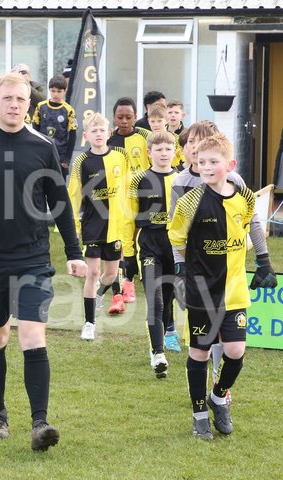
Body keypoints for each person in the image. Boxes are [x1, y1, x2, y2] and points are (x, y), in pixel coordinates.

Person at [0, 72, 87, 452]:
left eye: (21, 99)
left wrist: (74, 253)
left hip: (34, 259)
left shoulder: (43, 146)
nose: (14, 104)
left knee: (32, 335)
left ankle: (40, 423)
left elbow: (60, 204)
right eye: (8, 98)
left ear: (30, 104)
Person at [168, 133, 275, 440]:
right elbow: (176, 239)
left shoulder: (245, 197)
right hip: (202, 290)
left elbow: (252, 227)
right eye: (201, 162)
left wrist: (264, 262)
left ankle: (218, 397)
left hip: (234, 289)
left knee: (235, 350)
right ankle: (199, 413)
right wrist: (183, 270)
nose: (206, 167)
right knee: (200, 351)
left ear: (230, 165)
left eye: (213, 162)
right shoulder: (190, 201)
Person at [69, 113, 129, 340]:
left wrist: (130, 219)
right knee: (93, 272)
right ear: (86, 136)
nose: (98, 134)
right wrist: (74, 226)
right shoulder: (81, 161)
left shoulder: (120, 156)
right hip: (92, 224)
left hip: (116, 226)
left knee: (111, 274)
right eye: (94, 131)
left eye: (102, 130)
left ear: (108, 133)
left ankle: (99, 295)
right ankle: (89, 324)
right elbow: (74, 194)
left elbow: (128, 188)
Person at [122, 131, 178, 377]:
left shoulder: (181, 179)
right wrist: (128, 253)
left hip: (175, 248)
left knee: (167, 301)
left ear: (174, 152)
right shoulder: (139, 180)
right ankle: (158, 354)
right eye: (159, 149)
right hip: (149, 245)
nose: (164, 154)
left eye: (168, 149)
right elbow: (128, 219)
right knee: (155, 300)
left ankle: (159, 344)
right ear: (149, 153)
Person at [107, 97, 151, 307]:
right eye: (120, 117)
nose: (124, 121)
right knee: (119, 242)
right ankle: (120, 288)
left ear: (135, 117)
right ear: (114, 118)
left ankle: (130, 279)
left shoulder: (144, 136)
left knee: (133, 241)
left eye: (128, 117)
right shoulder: (108, 140)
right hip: (117, 199)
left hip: (142, 197)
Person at [32, 74, 78, 182]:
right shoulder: (41, 106)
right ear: (49, 90)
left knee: (59, 185)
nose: (55, 94)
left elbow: (72, 136)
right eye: (53, 91)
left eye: (59, 91)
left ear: (65, 91)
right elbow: (34, 131)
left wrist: (67, 159)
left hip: (60, 156)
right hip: (42, 153)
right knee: (40, 184)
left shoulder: (69, 110)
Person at [146, 104, 185, 170]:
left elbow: (184, 160)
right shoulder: (146, 139)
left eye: (159, 121)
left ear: (166, 120)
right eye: (152, 121)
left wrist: (175, 171)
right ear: (148, 121)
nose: (156, 125)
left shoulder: (177, 139)